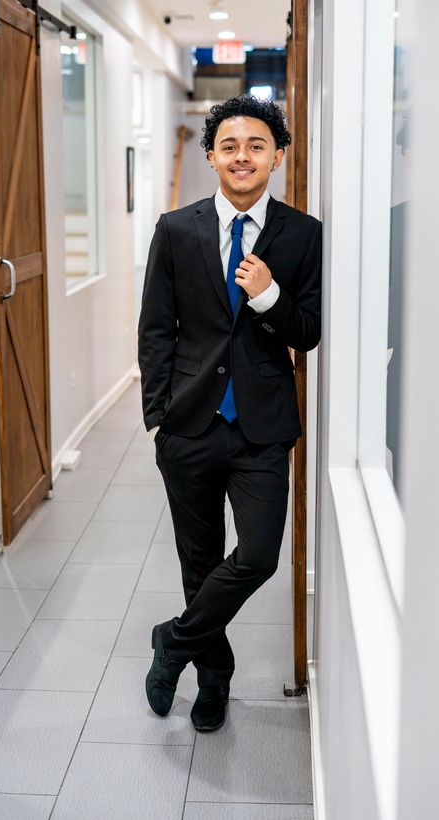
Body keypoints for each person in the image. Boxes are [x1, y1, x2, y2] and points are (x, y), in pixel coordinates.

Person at [138, 94, 321, 733]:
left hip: (263, 427)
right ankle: (212, 683)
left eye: (257, 146)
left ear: (277, 156)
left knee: (260, 555)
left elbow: (311, 330)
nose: (243, 157)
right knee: (199, 559)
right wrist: (158, 413)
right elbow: (156, 327)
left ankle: (175, 641)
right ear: (211, 154)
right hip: (188, 424)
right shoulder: (176, 228)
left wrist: (270, 295)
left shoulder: (303, 234)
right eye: (231, 146)